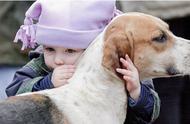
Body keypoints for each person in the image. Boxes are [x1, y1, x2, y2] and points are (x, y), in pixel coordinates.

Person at [5, 0, 160, 123]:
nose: (58, 60)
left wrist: (137, 92)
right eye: (49, 49)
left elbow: (151, 113)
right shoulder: (41, 65)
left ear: (92, 48)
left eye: (70, 51)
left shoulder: (121, 67)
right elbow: (13, 93)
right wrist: (46, 83)